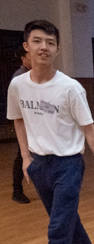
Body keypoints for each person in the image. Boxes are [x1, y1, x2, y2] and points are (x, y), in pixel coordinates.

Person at [8, 20, 94, 244]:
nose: (44, 47)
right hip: (39, 165)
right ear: (26, 46)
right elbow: (17, 120)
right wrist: (26, 158)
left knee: (57, 228)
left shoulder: (70, 88)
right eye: (38, 41)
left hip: (68, 164)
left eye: (50, 43)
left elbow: (90, 130)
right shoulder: (18, 85)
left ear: (57, 49)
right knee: (66, 221)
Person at [10, 46, 32, 204]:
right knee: (21, 156)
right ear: (23, 58)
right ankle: (17, 190)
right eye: (30, 56)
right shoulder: (19, 78)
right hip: (25, 125)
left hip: (36, 124)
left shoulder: (35, 76)